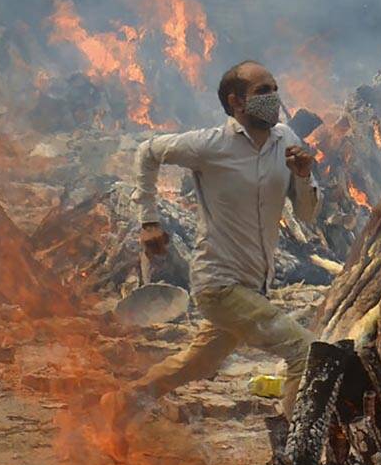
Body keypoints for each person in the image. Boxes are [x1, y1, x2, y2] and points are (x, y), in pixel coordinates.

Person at [121, 60, 320, 420]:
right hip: (219, 285)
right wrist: (148, 220)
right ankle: (296, 452)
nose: (274, 98)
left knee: (196, 364)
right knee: (303, 350)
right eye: (263, 91)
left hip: (254, 285)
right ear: (237, 102)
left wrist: (303, 177)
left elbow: (307, 215)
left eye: (275, 88)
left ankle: (121, 404)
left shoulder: (287, 140)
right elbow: (147, 152)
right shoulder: (210, 145)